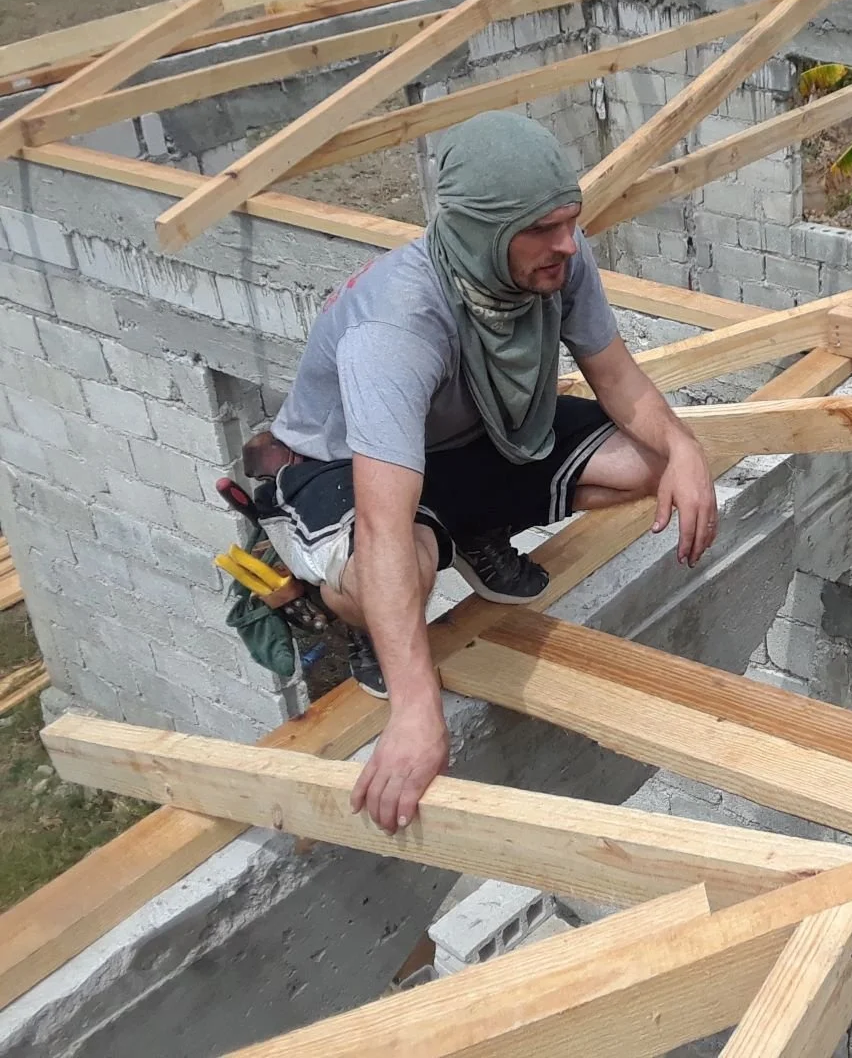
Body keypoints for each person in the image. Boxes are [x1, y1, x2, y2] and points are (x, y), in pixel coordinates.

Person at [248, 111, 718, 836]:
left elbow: (619, 382)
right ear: (479, 230)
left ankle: (473, 529)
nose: (567, 244)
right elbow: (381, 518)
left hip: (471, 439)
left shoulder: (557, 260)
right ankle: (366, 612)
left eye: (570, 221)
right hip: (345, 468)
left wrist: (685, 451)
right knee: (395, 563)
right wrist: (416, 709)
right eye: (541, 229)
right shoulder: (397, 329)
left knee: (655, 462)